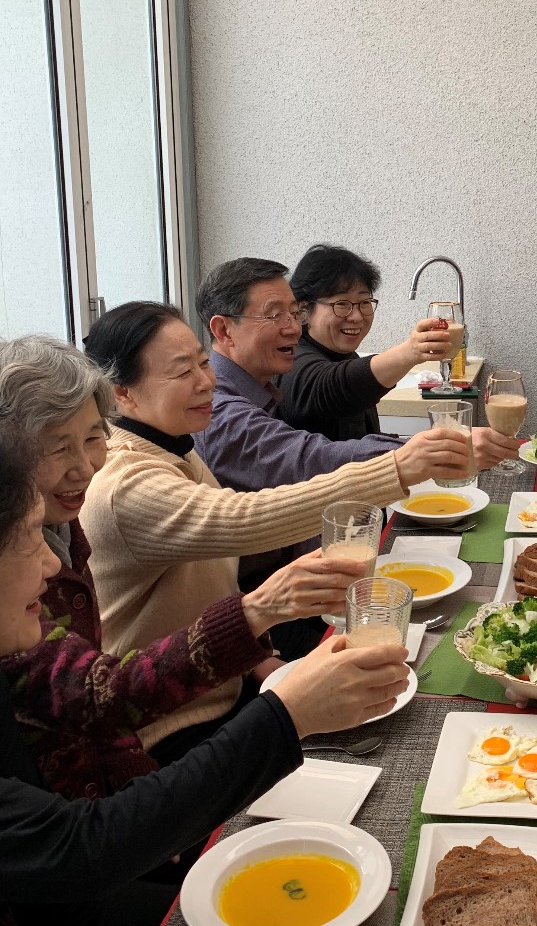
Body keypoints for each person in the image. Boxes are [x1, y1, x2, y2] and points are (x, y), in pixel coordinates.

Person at [0, 426, 408, 926]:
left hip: (71, 908)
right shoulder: (126, 490)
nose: (50, 565)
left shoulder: (24, 620)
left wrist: (259, 617)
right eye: (24, 540)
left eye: (91, 435)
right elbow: (76, 847)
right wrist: (285, 716)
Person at [0, 334, 362, 801]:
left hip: (145, 743)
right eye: (56, 448)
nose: (84, 468)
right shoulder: (88, 508)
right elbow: (98, 697)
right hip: (151, 741)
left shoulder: (67, 521)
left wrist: (258, 647)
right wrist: (258, 611)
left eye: (92, 438)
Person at [80, 300, 464, 738]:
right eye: (183, 372)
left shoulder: (174, 445)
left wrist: (256, 660)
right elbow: (241, 520)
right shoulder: (125, 482)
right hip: (166, 727)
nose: (207, 382)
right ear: (122, 393)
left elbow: (202, 582)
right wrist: (397, 467)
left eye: (203, 364)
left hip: (223, 682)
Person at [191, 259, 517, 645]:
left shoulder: (262, 385)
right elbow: (308, 455)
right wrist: (425, 453)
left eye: (292, 312)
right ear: (222, 330)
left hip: (316, 582)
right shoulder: (218, 410)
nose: (291, 327)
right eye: (275, 314)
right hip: (267, 618)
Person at [280, 242, 453, 440]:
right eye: (342, 304)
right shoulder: (290, 362)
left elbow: (364, 439)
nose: (357, 316)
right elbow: (330, 387)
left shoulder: (345, 356)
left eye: (364, 302)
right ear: (303, 310)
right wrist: (410, 352)